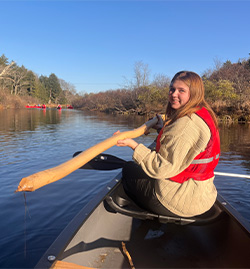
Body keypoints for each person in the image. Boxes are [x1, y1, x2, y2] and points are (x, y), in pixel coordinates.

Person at [115, 71, 220, 217]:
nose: (173, 94)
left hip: (177, 201)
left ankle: (137, 210)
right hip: (204, 196)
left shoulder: (185, 124)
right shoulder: (202, 113)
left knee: (128, 169)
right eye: (172, 89)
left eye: (181, 90)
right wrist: (161, 129)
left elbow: (161, 168)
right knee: (140, 168)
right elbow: (184, 144)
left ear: (194, 93)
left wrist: (133, 145)